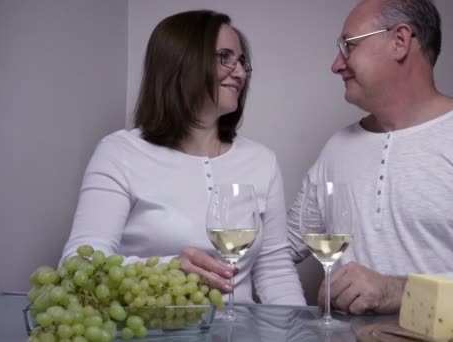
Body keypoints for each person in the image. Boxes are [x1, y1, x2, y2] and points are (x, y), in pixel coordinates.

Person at [287, 0, 453, 314]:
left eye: (348, 46)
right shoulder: (337, 148)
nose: (336, 64)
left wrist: (400, 291)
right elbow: (275, 250)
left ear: (399, 41)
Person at [60, 10, 305, 306]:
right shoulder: (119, 154)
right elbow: (77, 268)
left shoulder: (262, 161)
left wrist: (297, 333)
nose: (239, 72)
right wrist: (168, 269)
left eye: (241, 61)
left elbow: (275, 272)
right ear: (181, 63)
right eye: (224, 57)